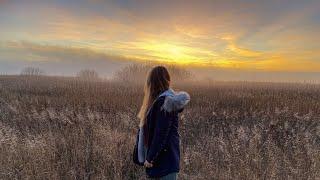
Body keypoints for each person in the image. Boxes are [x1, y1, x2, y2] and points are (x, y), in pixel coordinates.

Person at [137, 66, 190, 179]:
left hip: (164, 163)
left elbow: (160, 134)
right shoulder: (157, 102)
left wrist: (150, 158)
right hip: (161, 162)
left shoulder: (165, 102)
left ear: (153, 82)